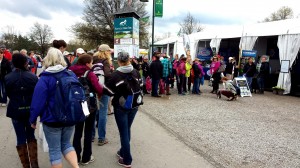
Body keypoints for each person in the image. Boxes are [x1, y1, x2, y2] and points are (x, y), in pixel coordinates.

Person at [30, 47, 80, 168]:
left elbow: (38, 102)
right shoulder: (70, 74)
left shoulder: (45, 78)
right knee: (67, 144)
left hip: (51, 119)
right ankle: (76, 167)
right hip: (70, 117)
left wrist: (32, 119)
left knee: (55, 150)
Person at [105, 51, 142, 168]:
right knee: (127, 129)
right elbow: (140, 86)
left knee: (123, 132)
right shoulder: (136, 72)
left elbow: (107, 91)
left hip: (121, 107)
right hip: (135, 105)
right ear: (129, 60)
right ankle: (122, 151)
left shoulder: (115, 75)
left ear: (119, 61)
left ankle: (127, 160)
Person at [5, 53, 39, 168]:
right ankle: (34, 165)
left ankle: (26, 166)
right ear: (25, 62)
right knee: (31, 136)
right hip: (30, 111)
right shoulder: (33, 76)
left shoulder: (7, 77)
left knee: (20, 137)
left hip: (16, 110)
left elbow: (8, 94)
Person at [69, 54, 103, 165]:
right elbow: (98, 88)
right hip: (90, 105)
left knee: (77, 131)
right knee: (88, 130)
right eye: (91, 62)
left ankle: (76, 156)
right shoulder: (90, 74)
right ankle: (86, 157)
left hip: (75, 105)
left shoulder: (70, 72)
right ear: (87, 63)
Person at [93, 44, 112, 146]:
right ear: (106, 52)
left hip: (92, 89)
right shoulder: (105, 61)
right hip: (103, 90)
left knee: (93, 111)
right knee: (103, 113)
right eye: (109, 51)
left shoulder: (93, 59)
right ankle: (101, 138)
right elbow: (108, 75)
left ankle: (91, 136)